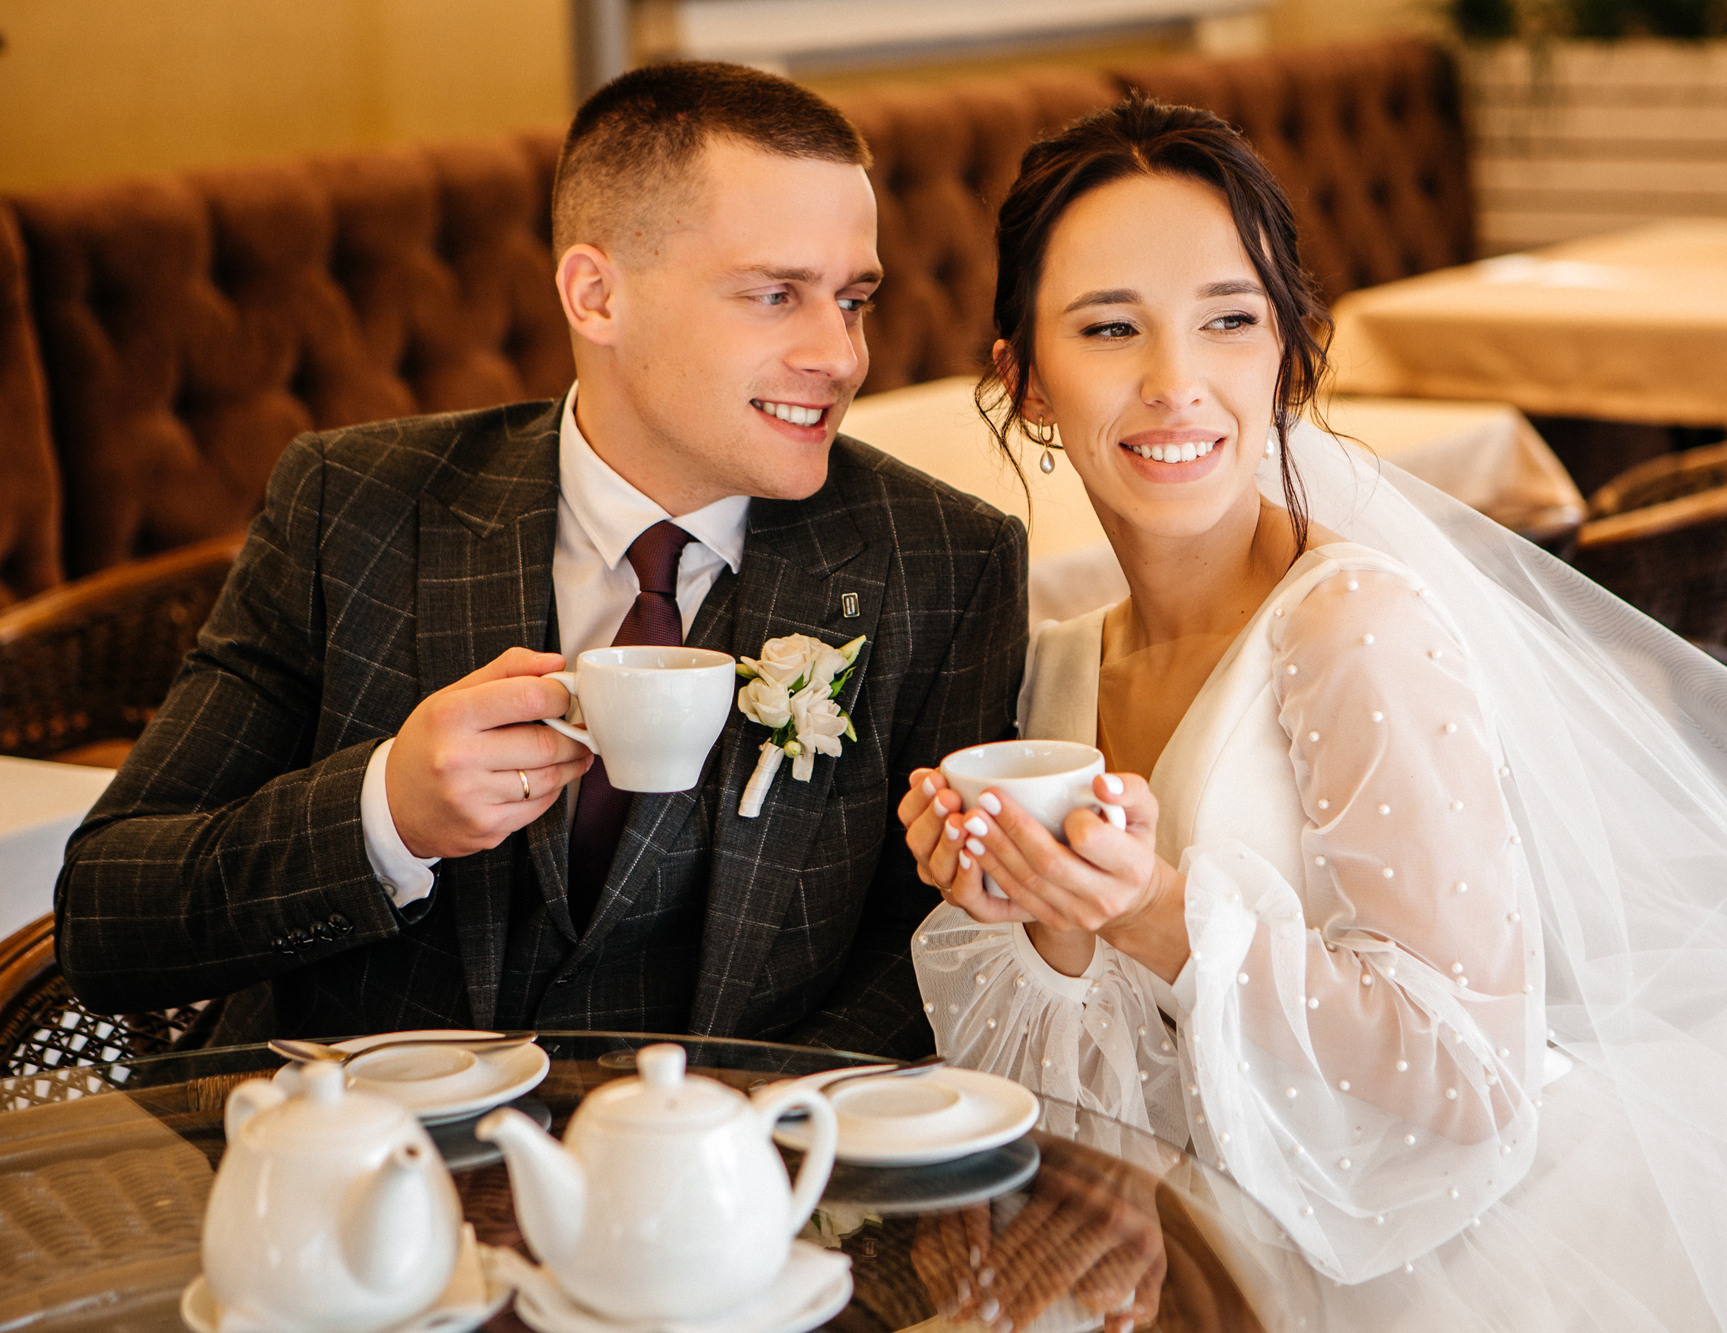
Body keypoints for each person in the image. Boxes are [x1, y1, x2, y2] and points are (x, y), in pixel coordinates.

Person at [900, 96, 1727, 1328]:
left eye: (1229, 320)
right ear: (1023, 379)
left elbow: (1469, 1074)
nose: (1175, 383)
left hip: (1445, 1261)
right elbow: (1084, 1116)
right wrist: (1044, 920)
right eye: (1109, 327)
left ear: (1286, 356)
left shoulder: (1348, 629)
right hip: (1191, 1256)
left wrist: (1152, 908)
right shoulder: (1053, 674)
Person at [56, 62, 1027, 1057]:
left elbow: (932, 950)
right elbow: (109, 916)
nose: (841, 355)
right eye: (776, 295)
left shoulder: (943, 563)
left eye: (853, 299)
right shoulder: (350, 504)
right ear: (595, 295)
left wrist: (726, 1151)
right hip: (356, 1172)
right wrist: (389, 812)